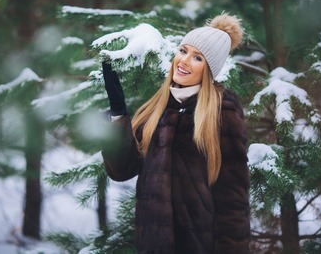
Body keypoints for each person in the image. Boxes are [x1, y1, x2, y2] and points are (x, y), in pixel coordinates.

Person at [101, 13, 250, 254]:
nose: (184, 61)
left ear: (209, 69)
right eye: (183, 51)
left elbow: (233, 205)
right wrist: (118, 113)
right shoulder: (157, 108)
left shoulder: (222, 114)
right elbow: (121, 170)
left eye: (197, 57)